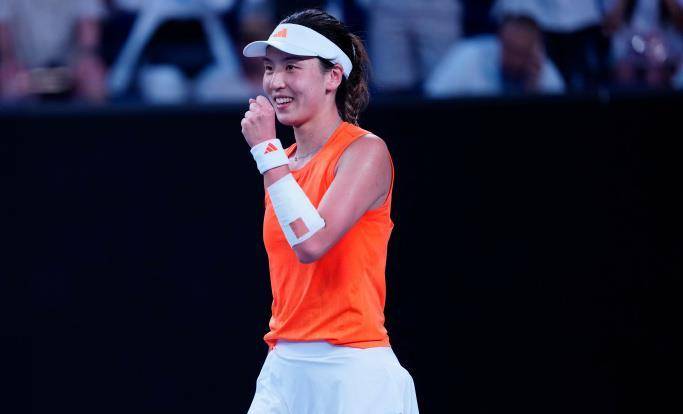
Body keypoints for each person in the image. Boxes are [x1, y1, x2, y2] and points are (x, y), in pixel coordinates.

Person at [239, 8, 419, 414]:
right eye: (270, 68)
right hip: (283, 368)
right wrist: (273, 158)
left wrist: (266, 152)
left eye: (292, 67)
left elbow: (312, 243)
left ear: (333, 76)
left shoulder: (365, 152)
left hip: (353, 372)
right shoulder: (281, 163)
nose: (276, 81)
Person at [425, 14, 564, 97]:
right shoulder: (469, 54)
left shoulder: (544, 72)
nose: (512, 59)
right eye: (508, 49)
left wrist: (533, 90)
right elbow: (433, 99)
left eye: (520, 53)